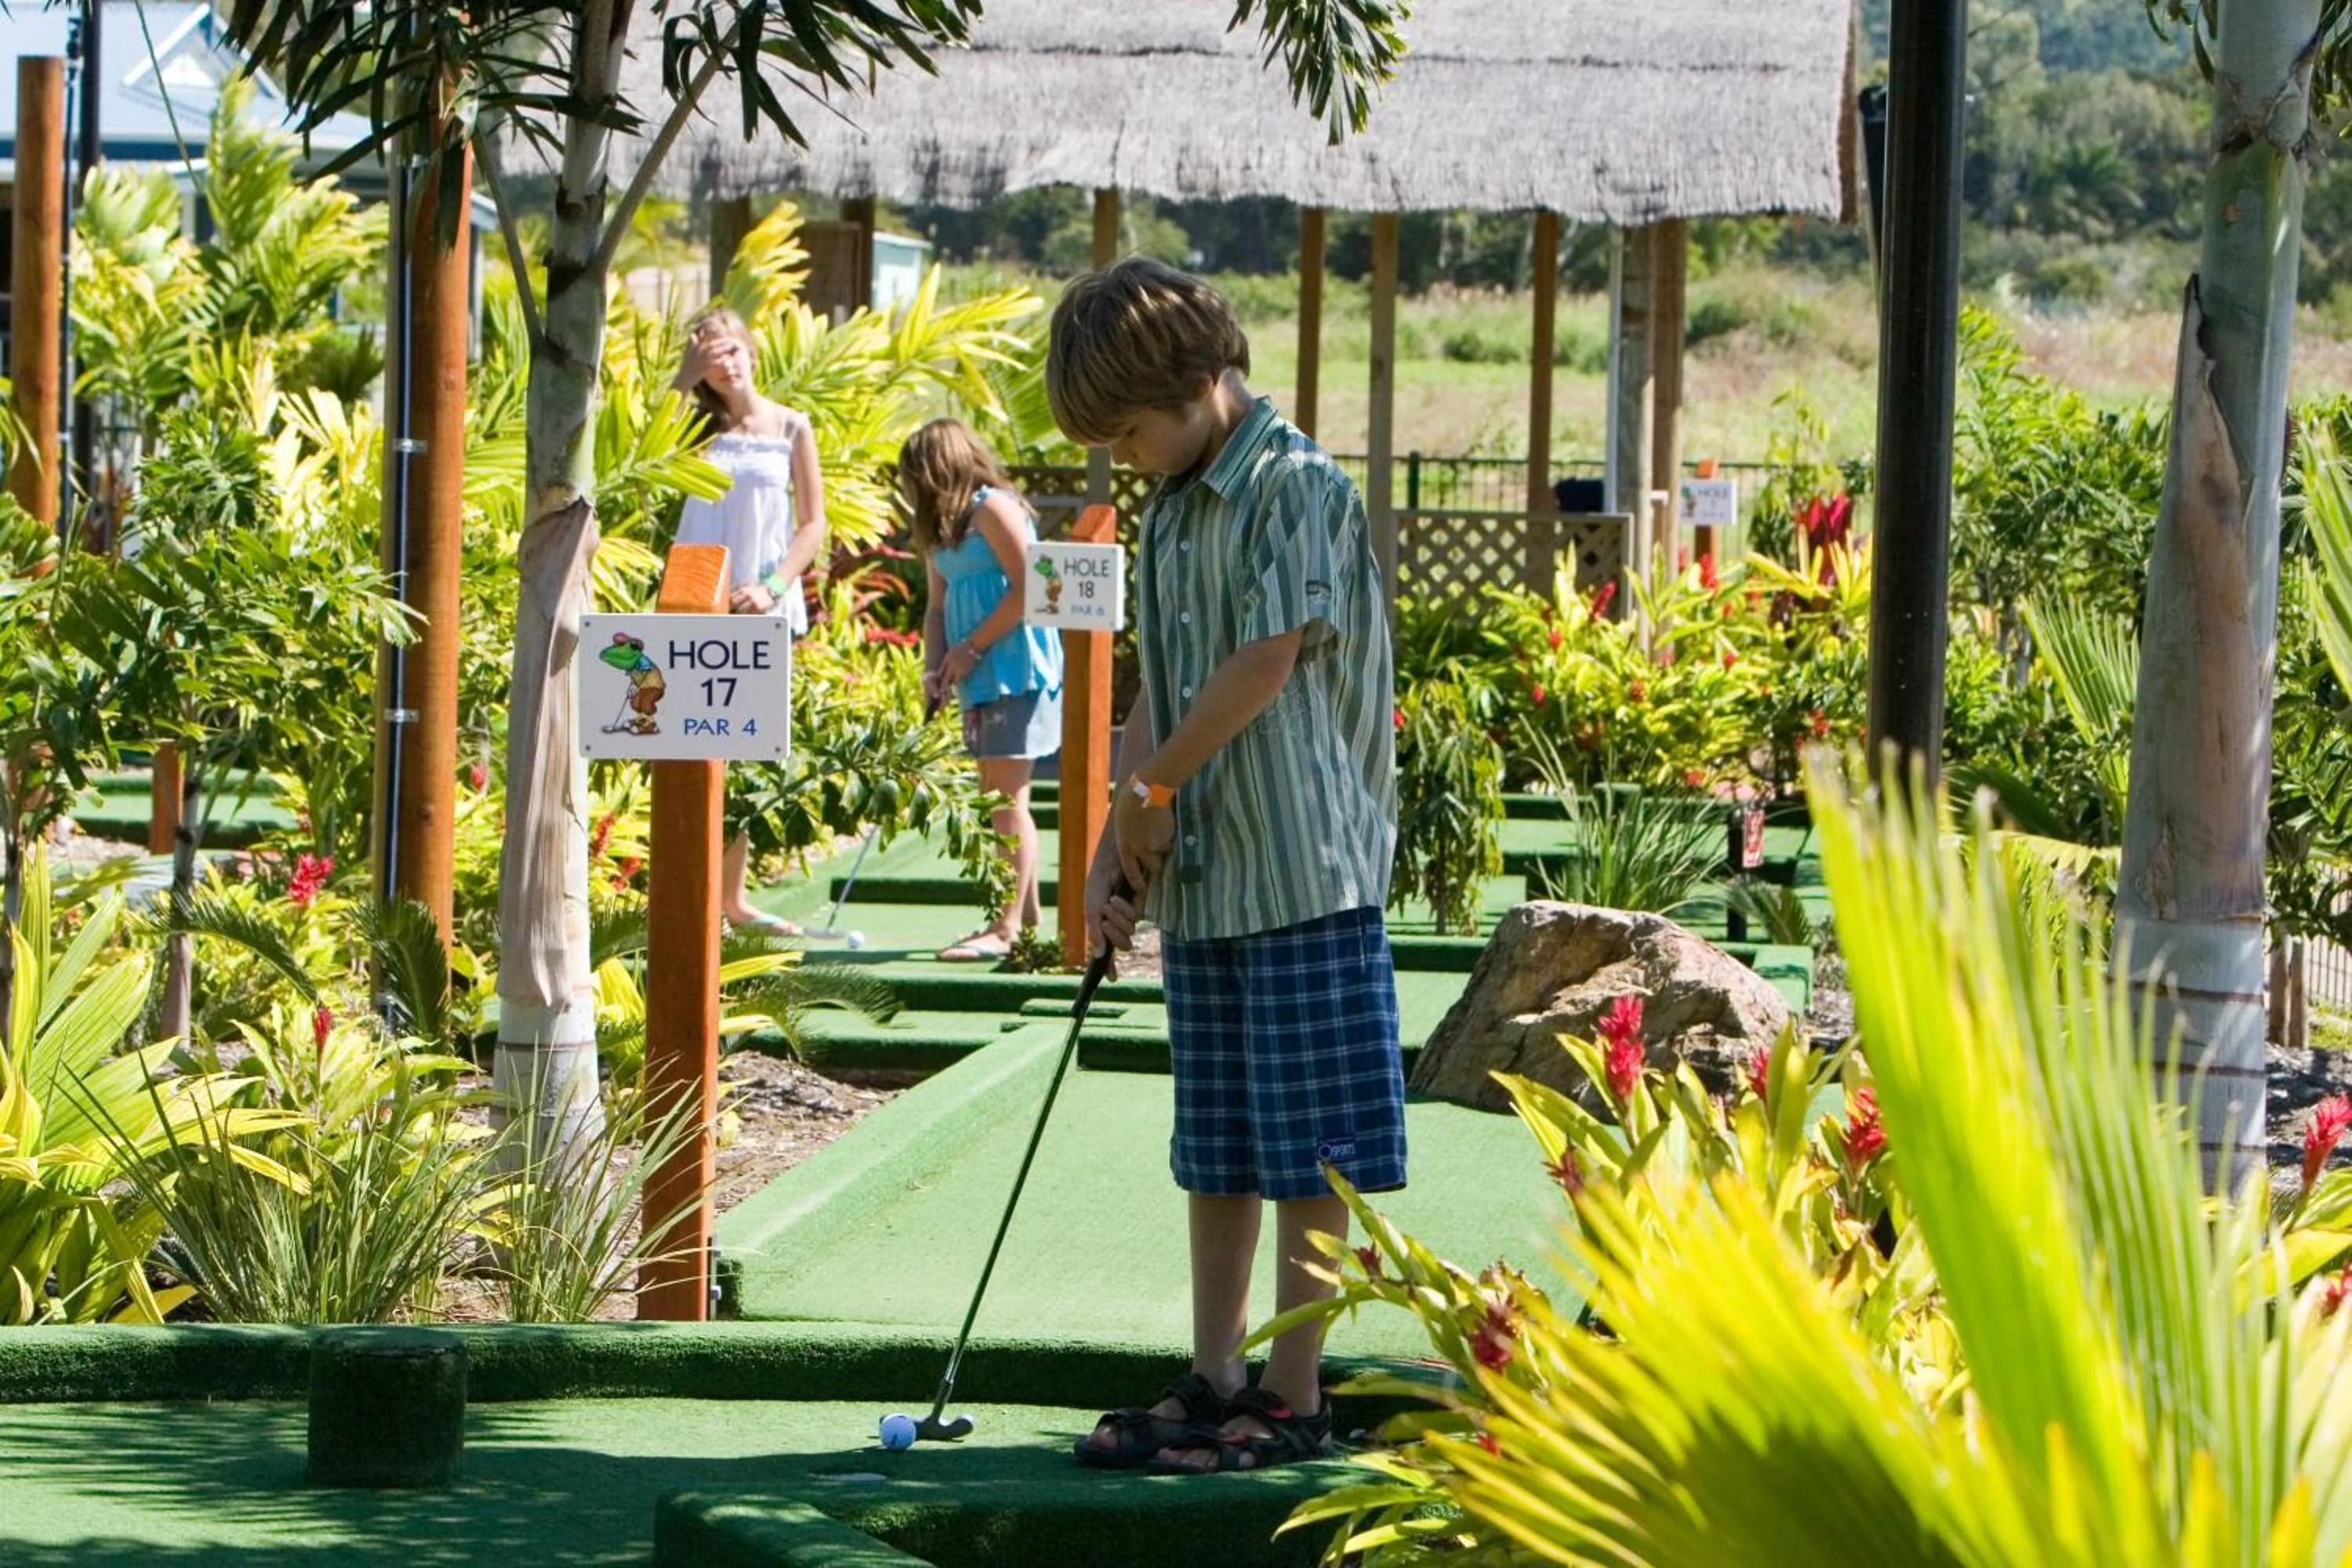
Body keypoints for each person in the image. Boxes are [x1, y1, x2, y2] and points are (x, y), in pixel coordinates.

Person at [1047, 258, 1404, 1474]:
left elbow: (1263, 660)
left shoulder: (1293, 483)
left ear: (1198, 381)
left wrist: (1156, 792)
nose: (1127, 454)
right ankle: (1215, 1373)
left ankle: (1295, 1392)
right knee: (1219, 1141)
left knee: (1312, 1150)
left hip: (1306, 868)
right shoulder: (1170, 509)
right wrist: (1112, 840)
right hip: (1210, 883)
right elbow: (1164, 683)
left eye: (1132, 428)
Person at [670, 303, 829, 936]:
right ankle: (696, 893)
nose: (724, 362)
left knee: (742, 744)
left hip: (760, 603)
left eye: (731, 348)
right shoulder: (692, 429)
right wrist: (683, 376)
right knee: (693, 740)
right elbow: (645, 447)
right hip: (696, 594)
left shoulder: (792, 426)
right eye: (711, 355)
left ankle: (732, 899)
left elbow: (813, 521)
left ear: (752, 352)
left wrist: (772, 585)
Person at [899, 419, 1065, 961]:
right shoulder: (944, 523)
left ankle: (1005, 926)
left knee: (1004, 794)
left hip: (1015, 666)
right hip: (977, 674)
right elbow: (936, 606)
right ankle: (1026, 911)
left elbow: (1031, 587)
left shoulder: (993, 508)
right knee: (996, 790)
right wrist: (934, 667)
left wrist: (970, 648)